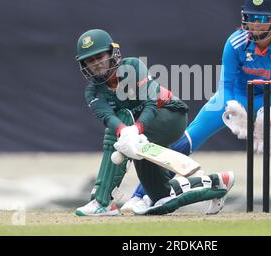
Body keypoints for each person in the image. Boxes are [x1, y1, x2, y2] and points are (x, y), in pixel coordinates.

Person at [124, 0, 271, 215]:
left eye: (262, 19)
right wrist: (231, 108)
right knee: (189, 137)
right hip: (238, 96)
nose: (255, 25)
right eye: (250, 18)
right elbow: (225, 86)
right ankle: (144, 195)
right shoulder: (235, 41)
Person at [74, 28, 235, 216]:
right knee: (160, 198)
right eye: (90, 60)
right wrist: (126, 132)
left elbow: (150, 103)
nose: (96, 64)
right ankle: (216, 183)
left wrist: (135, 129)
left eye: (99, 56)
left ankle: (102, 200)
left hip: (169, 115)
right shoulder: (92, 92)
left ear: (112, 53)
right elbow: (108, 118)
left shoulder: (132, 66)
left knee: (124, 124)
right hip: (141, 135)